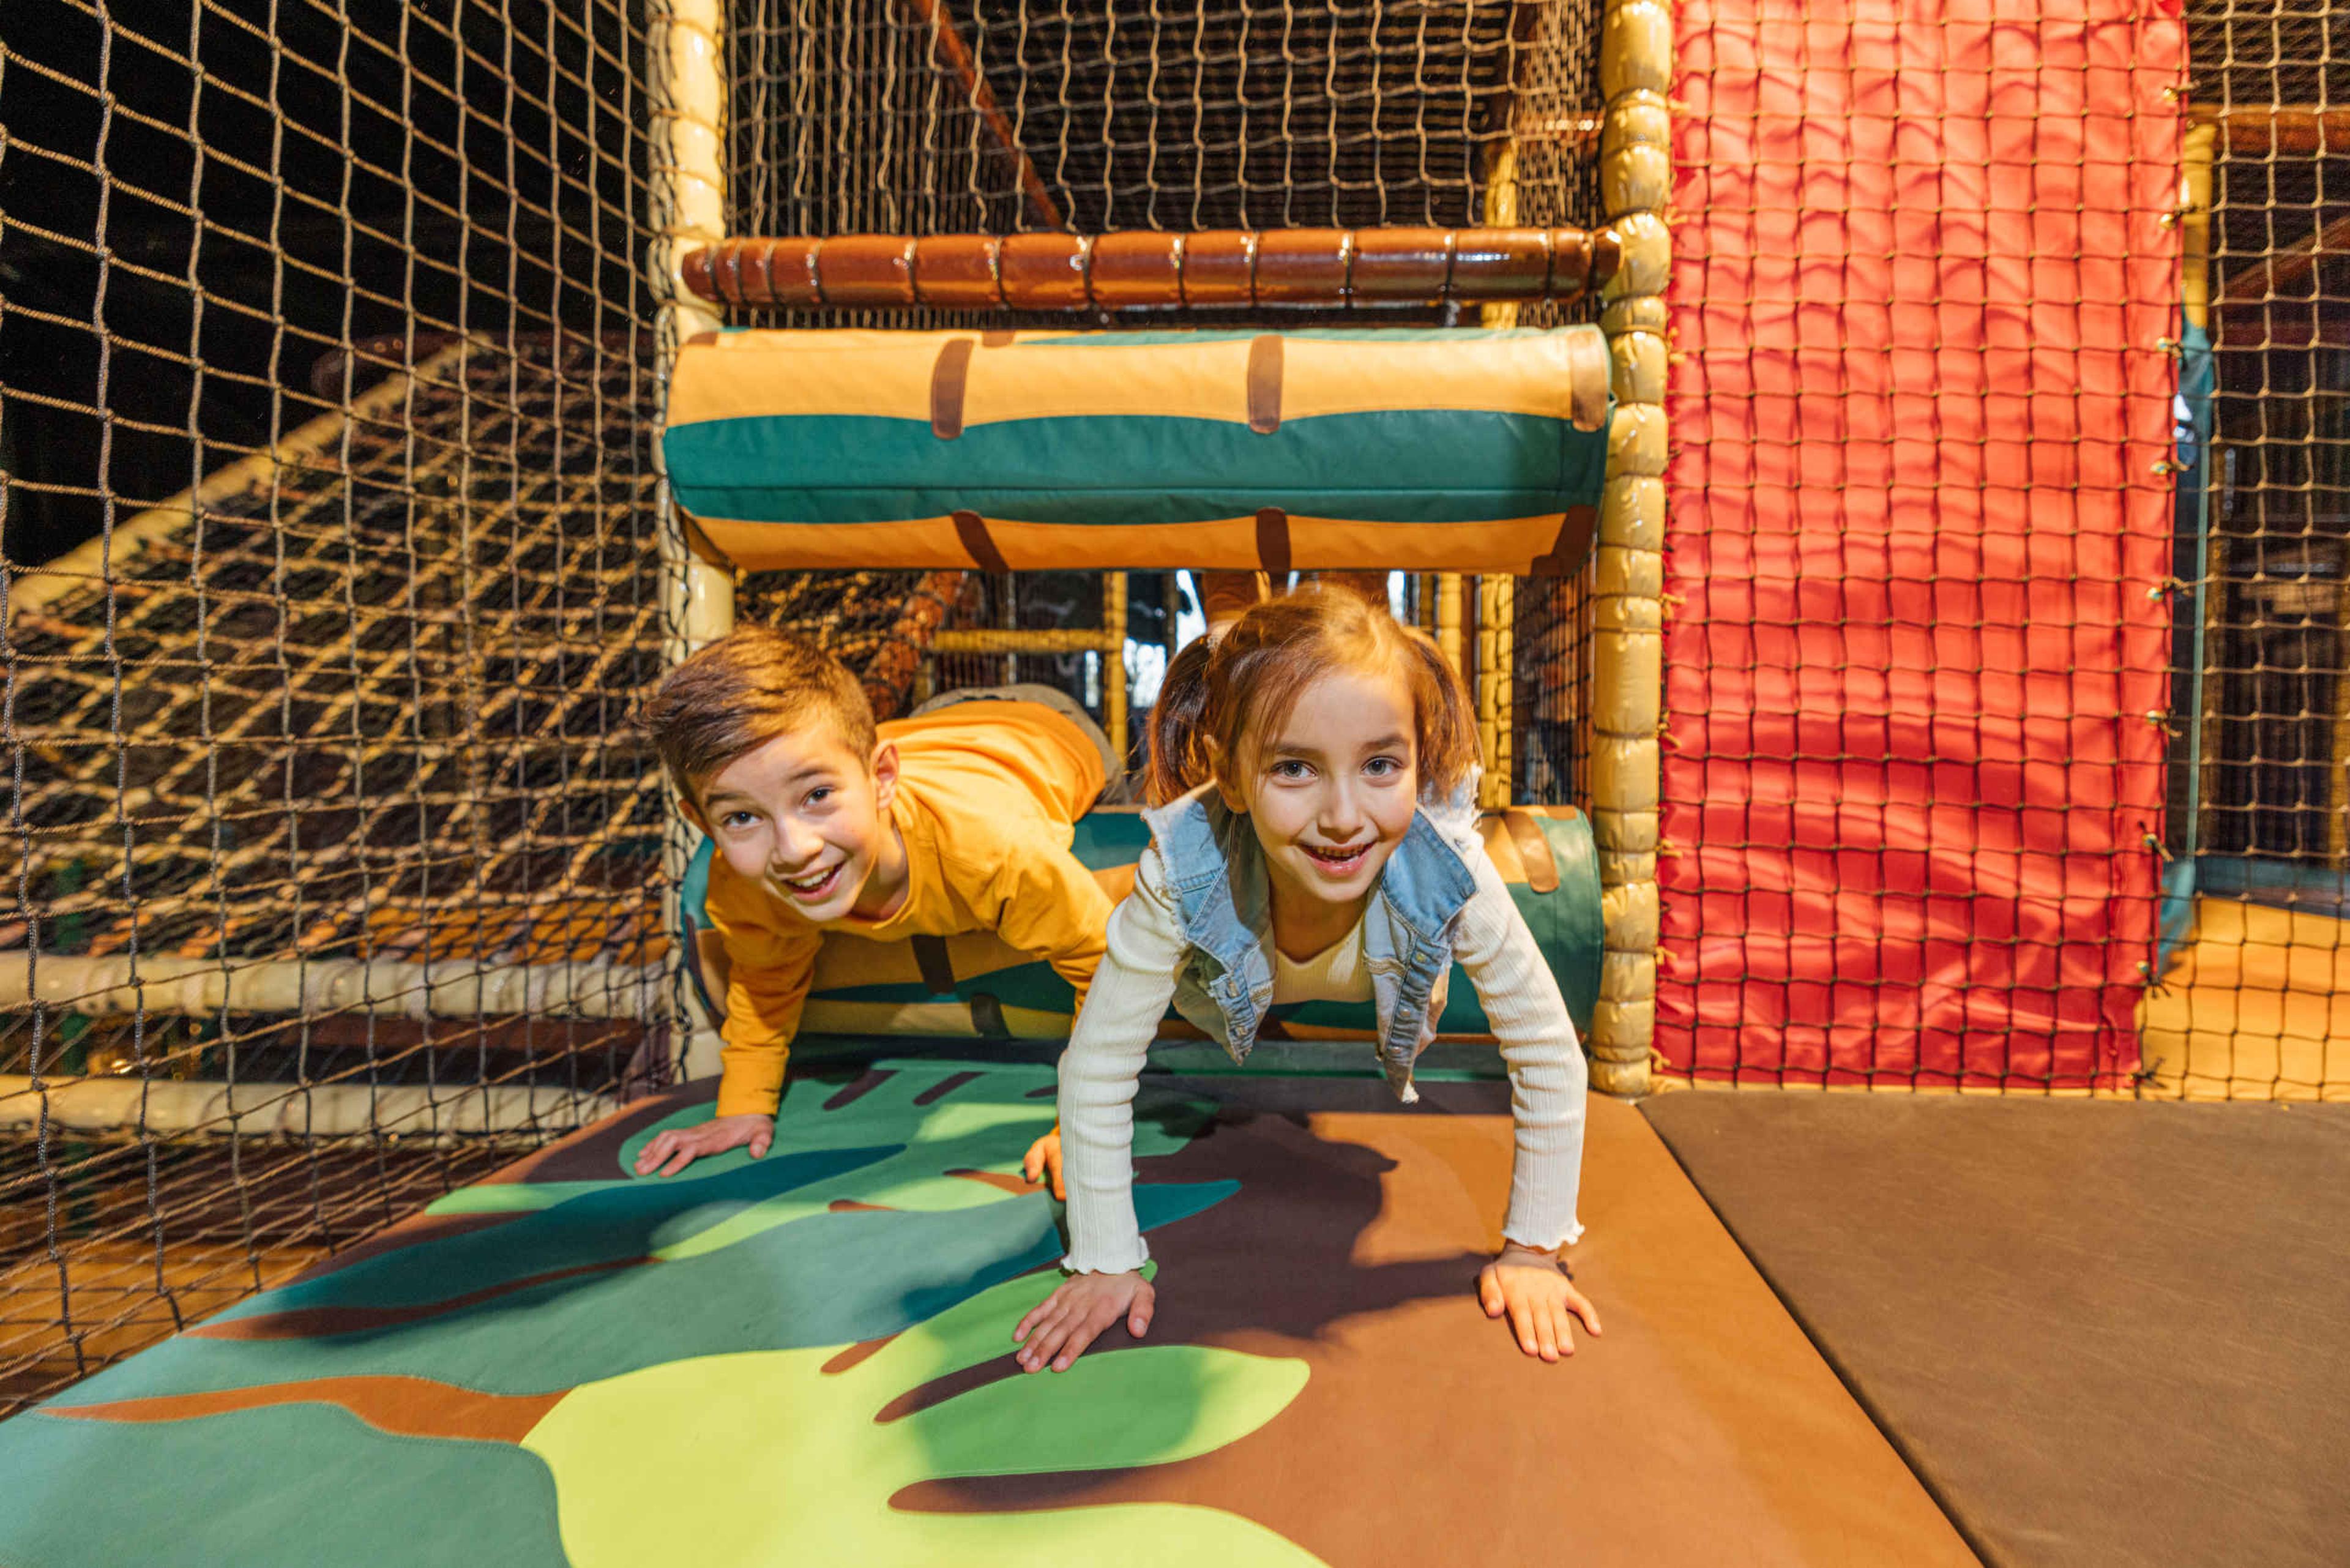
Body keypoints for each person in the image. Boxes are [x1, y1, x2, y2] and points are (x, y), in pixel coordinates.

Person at [1013, 584, 1599, 1370]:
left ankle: (1260, 677)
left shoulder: (1444, 866)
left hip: (1373, 970)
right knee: (1116, 908)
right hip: (1211, 977)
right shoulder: (1184, 868)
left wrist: (1532, 1250)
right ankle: (1232, 645)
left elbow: (1548, 1049)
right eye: (1296, 768)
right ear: (1228, 776)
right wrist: (1106, 1258)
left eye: (1381, 765)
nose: (1344, 816)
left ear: (1417, 761)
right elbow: (1099, 1065)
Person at [635, 625, 1116, 1187]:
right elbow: (765, 980)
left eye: (817, 796)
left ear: (882, 778)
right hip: (932, 724)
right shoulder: (743, 882)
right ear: (703, 825)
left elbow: (1107, 962)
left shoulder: (987, 849)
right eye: (743, 817)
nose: (795, 850)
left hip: (1049, 729)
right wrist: (744, 1104)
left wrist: (1087, 1124)